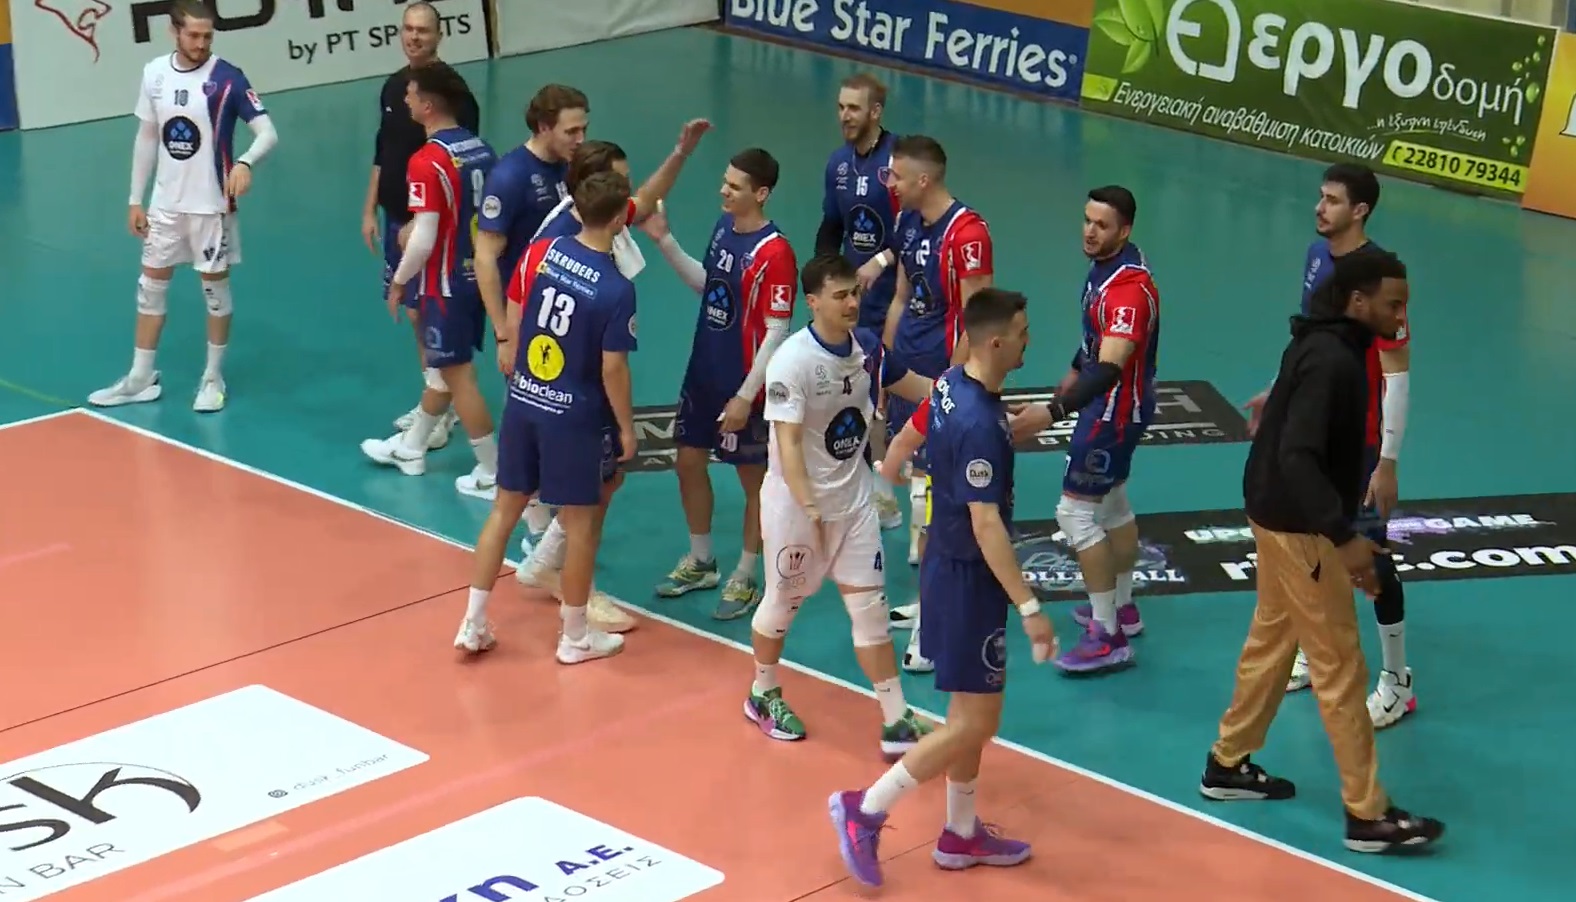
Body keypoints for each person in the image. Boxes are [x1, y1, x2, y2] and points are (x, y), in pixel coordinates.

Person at [1198, 249, 1443, 854]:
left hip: (1272, 512)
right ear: (1358, 301)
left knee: (1274, 638)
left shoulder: (1321, 340)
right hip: (1300, 525)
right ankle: (1368, 814)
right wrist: (1343, 536)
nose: (1401, 315)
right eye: (1393, 304)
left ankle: (1227, 763)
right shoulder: (1337, 361)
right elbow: (1298, 456)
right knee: (1339, 664)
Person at [829, 288, 1054, 889]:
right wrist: (1030, 606)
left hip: (948, 569)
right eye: (1023, 332)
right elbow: (987, 525)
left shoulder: (952, 383)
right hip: (968, 579)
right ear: (996, 343)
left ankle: (960, 832)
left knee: (967, 713)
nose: (1029, 340)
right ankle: (865, 808)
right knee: (975, 723)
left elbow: (910, 438)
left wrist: (890, 474)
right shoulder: (979, 422)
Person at [511, 128, 710, 635]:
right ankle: (577, 597)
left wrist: (681, 151)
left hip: (581, 366)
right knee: (587, 492)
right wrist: (509, 343)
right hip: (566, 377)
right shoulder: (560, 237)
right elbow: (523, 288)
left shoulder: (598, 216)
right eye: (620, 183)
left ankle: (546, 564)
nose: (630, 194)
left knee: (608, 478)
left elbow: (644, 199)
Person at [1245, 165, 1416, 727]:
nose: (1320, 208)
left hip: (1359, 445)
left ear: (1360, 210)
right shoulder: (1317, 257)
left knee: (1372, 557)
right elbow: (1307, 335)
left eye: (1333, 200)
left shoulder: (1381, 277)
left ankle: (1397, 681)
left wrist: (1387, 462)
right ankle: (1307, 649)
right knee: (1308, 546)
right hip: (1315, 431)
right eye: (1320, 197)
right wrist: (1278, 391)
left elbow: (1397, 373)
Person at [746, 254, 935, 755]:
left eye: (855, 293)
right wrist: (809, 504)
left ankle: (896, 719)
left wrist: (966, 395)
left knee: (870, 611)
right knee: (782, 604)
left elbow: (922, 388)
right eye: (840, 295)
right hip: (796, 509)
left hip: (853, 506)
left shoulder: (868, 348)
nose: (852, 303)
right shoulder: (792, 361)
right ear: (813, 302)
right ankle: (762, 691)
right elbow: (787, 443)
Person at [453, 170, 638, 663]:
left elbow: (517, 316)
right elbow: (613, 367)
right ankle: (575, 637)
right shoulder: (617, 288)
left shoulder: (545, 252)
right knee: (581, 526)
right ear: (618, 220)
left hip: (525, 399)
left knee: (504, 511)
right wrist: (625, 427)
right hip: (572, 416)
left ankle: (473, 623)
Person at [90, 0, 279, 412]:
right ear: (173, 31)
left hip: (211, 207)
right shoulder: (155, 73)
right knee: (149, 289)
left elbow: (267, 132)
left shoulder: (228, 78)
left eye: (207, 36)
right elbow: (147, 137)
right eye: (193, 35)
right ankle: (140, 378)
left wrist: (246, 162)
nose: (201, 43)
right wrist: (135, 199)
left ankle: (213, 377)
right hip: (166, 206)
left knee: (215, 293)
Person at [642, 149, 799, 620]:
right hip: (704, 371)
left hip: (744, 384)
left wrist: (746, 395)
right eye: (725, 181)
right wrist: (666, 241)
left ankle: (746, 575)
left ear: (761, 193)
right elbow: (708, 285)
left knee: (754, 482)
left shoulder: (775, 253)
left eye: (734, 186)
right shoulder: (723, 227)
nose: (723, 190)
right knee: (687, 462)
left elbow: (777, 330)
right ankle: (702, 560)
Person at [1008, 186, 1158, 674]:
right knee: (1112, 505)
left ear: (1125, 230)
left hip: (1112, 413)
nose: (1090, 232)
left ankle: (1106, 635)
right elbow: (1093, 343)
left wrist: (1052, 413)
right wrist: (1068, 380)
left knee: (1075, 515)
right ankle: (1123, 607)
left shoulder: (1128, 291)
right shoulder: (1106, 269)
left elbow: (1110, 366)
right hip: (1118, 407)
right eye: (1087, 221)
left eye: (1102, 225)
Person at [859, 135, 993, 647]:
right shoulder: (907, 220)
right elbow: (901, 297)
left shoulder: (968, 233)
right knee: (920, 482)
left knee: (937, 490)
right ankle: (931, 597)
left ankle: (942, 609)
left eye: (895, 175)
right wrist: (888, 369)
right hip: (909, 365)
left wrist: (953, 384)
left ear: (923, 179)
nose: (888, 183)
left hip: (945, 373)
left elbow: (978, 319)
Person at [359, 63, 499, 487]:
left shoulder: (426, 160)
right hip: (476, 276)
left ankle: (492, 471)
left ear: (427, 105)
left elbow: (423, 237)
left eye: (412, 94)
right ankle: (412, 448)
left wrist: (400, 281)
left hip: (443, 284)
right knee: (442, 371)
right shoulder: (480, 148)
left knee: (458, 377)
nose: (405, 100)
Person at [367, 2, 480, 448]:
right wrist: (369, 208)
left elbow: (461, 160)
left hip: (427, 225)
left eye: (423, 31)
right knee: (417, 313)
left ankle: (443, 408)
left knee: (430, 311)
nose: (414, 37)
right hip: (395, 218)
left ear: (438, 36)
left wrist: (422, 222)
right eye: (408, 29)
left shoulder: (454, 94)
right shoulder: (395, 86)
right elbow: (383, 150)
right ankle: (437, 397)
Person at [816, 72, 904, 534]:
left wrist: (882, 260)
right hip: (853, 305)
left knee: (886, 400)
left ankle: (886, 498)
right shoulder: (838, 163)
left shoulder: (900, 161)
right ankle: (859, 487)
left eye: (853, 108)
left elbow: (920, 230)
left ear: (875, 112)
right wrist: (821, 281)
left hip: (899, 304)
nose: (844, 116)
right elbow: (832, 226)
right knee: (852, 392)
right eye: (840, 107)